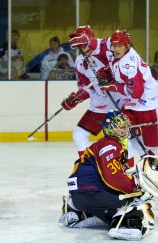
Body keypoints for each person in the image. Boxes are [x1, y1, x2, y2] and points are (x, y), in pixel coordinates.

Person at [100, 29, 158, 189]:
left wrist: (112, 86)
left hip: (150, 105)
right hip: (133, 106)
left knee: (157, 146)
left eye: (120, 45)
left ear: (127, 45)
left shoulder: (129, 64)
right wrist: (107, 72)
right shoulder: (117, 54)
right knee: (127, 135)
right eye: (114, 45)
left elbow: (136, 93)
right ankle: (138, 172)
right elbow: (101, 47)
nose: (116, 48)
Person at [59, 110, 155, 241]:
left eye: (126, 126)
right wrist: (135, 188)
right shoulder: (110, 145)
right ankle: (125, 225)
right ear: (111, 128)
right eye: (121, 127)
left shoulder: (102, 144)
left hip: (80, 196)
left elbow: (107, 176)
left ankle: (79, 213)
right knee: (138, 201)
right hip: (92, 193)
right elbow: (112, 178)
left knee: (121, 198)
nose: (125, 130)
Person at [60, 25, 121, 157]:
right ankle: (90, 164)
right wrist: (78, 97)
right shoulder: (80, 62)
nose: (83, 47)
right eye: (80, 45)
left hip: (119, 103)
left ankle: (127, 171)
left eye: (85, 42)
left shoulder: (107, 49)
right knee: (79, 135)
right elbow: (87, 87)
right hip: (100, 105)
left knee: (123, 141)